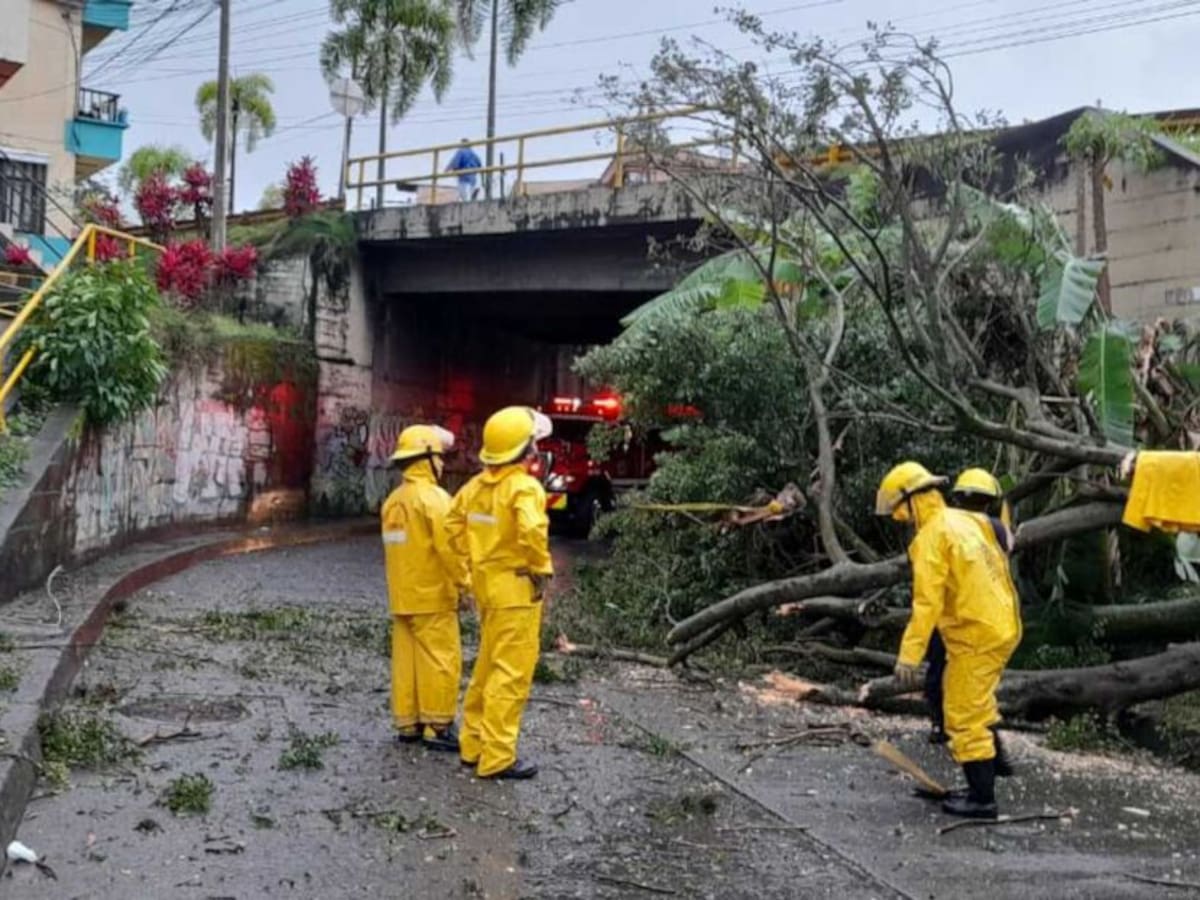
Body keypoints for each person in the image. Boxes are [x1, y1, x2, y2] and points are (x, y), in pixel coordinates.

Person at [876, 461, 1022, 819]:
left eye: (901, 512)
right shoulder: (967, 521)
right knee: (974, 703)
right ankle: (979, 782)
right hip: (998, 624)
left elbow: (927, 604)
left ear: (913, 501)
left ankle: (982, 799)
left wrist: (908, 657)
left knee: (962, 714)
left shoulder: (931, 537)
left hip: (976, 633)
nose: (901, 520)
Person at [447, 406, 554, 780]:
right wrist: (540, 568)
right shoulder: (524, 487)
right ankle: (497, 758)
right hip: (516, 590)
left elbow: (451, 526)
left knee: (487, 667)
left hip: (487, 589)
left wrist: (464, 571)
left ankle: (472, 745)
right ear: (526, 450)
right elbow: (531, 530)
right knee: (511, 674)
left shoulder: (475, 487)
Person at [381, 424, 470, 752]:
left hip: (402, 597)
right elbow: (452, 549)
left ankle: (409, 724)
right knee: (440, 660)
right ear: (427, 459)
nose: (444, 464)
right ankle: (438, 725)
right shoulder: (435, 499)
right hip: (432, 597)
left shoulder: (393, 501)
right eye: (440, 457)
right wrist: (467, 584)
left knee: (407, 662)